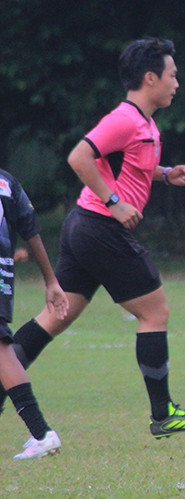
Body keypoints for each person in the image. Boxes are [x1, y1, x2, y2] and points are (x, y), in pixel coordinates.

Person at [3, 38, 185, 440]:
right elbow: (79, 157)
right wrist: (115, 202)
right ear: (150, 78)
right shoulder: (125, 119)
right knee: (155, 312)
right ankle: (164, 413)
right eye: (172, 75)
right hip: (101, 227)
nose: (177, 82)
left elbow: (131, 166)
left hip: (85, 226)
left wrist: (166, 173)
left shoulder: (146, 123)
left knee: (57, 315)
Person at [0, 169, 68, 458]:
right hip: (3, 276)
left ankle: (41, 433)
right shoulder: (7, 181)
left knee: (2, 351)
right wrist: (50, 280)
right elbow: (31, 230)